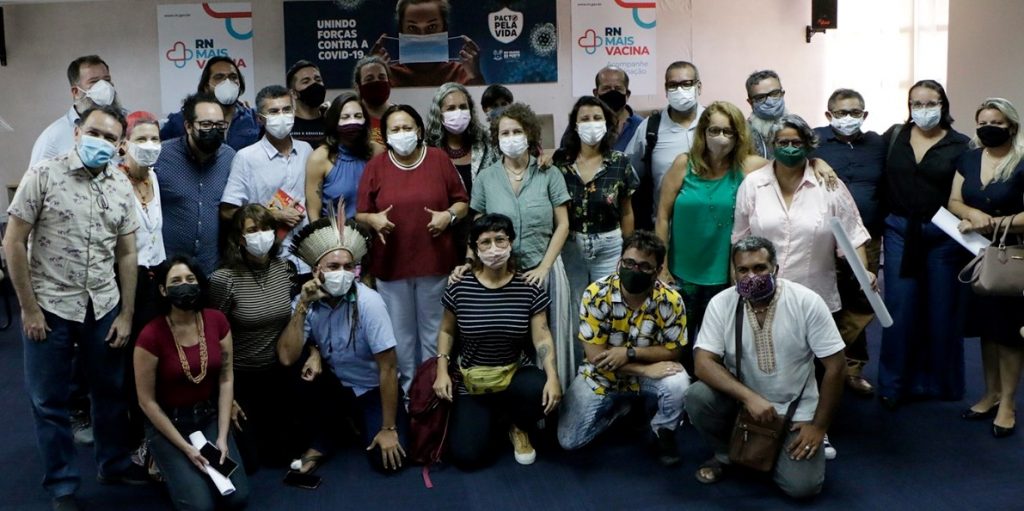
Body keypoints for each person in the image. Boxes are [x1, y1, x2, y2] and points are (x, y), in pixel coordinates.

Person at [5, 105, 145, 511]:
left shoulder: (120, 186)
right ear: (78, 132)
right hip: (49, 305)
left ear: (120, 145)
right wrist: (28, 308)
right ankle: (62, 485)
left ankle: (113, 464)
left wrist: (126, 313)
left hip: (102, 304)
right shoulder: (43, 175)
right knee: (49, 401)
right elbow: (13, 243)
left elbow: (127, 253)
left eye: (110, 138)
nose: (100, 142)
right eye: (94, 133)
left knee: (109, 391)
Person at [685, 236, 846, 498]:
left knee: (803, 488)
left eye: (759, 268)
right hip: (742, 406)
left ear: (775, 269)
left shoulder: (806, 301)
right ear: (734, 273)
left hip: (795, 412)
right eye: (743, 270)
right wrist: (749, 397)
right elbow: (703, 363)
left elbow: (836, 367)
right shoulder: (722, 303)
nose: (751, 276)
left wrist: (819, 427)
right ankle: (726, 454)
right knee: (697, 396)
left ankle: (757, 452)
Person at [460, 102, 576, 389]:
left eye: (517, 131)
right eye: (504, 133)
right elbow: (478, 226)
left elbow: (563, 224)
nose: (511, 138)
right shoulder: (486, 178)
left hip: (543, 270)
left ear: (530, 134)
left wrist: (544, 268)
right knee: (508, 343)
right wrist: (470, 262)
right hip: (500, 273)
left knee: (548, 342)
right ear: (496, 138)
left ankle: (550, 399)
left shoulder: (549, 173)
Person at [278, 218, 407, 474]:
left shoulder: (369, 302)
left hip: (371, 389)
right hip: (335, 386)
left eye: (348, 266)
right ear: (316, 270)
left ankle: (355, 422)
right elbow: (286, 356)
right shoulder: (308, 301)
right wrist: (303, 306)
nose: (343, 272)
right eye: (333, 266)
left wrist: (388, 428)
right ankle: (332, 431)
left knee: (390, 461)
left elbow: (389, 368)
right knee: (297, 377)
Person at [356, 104, 470, 393]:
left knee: (434, 334)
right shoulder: (376, 166)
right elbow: (361, 213)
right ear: (385, 135)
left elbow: (462, 202)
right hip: (392, 267)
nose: (402, 133)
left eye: (407, 127)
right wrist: (373, 220)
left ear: (419, 130)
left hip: (435, 264)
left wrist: (448, 216)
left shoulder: (438, 159)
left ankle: (432, 397)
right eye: (395, 129)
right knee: (402, 339)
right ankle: (409, 398)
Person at [434, 214, 561, 467]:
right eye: (485, 242)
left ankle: (518, 425)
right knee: (467, 458)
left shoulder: (528, 286)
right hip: (473, 381)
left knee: (539, 389)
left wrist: (553, 377)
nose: (494, 248)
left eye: (500, 240)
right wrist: (441, 371)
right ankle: (493, 418)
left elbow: (542, 336)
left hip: (514, 375)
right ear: (475, 248)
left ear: (510, 242)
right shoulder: (460, 286)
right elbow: (447, 331)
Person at [557, 232, 690, 467]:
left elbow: (674, 351)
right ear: (619, 261)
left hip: (647, 373)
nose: (634, 270)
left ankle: (663, 432)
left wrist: (629, 353)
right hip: (602, 376)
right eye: (629, 263)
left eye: (644, 266)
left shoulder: (672, 300)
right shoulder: (596, 294)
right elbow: (595, 357)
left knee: (678, 382)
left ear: (658, 271)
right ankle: (623, 409)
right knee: (569, 440)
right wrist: (643, 370)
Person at [654, 101, 766, 376]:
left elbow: (792, 164)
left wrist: (819, 163)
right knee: (675, 348)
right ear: (703, 132)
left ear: (738, 135)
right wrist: (662, 267)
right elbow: (663, 217)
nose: (720, 138)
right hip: (680, 275)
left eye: (728, 132)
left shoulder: (747, 167)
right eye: (714, 130)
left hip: (723, 278)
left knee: (715, 350)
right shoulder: (684, 164)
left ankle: (707, 396)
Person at [878, 80, 971, 408]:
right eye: (916, 104)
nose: (923, 109)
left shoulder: (961, 145)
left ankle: (942, 383)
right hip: (900, 231)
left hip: (943, 235)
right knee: (900, 309)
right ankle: (893, 385)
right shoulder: (894, 137)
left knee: (943, 309)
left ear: (943, 105)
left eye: (930, 103)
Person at [134, 256, 249, 511]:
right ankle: (154, 456)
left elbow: (226, 379)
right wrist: (186, 449)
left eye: (190, 279)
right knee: (200, 506)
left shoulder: (217, 321)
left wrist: (222, 437)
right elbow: (146, 401)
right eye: (176, 281)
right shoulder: (150, 335)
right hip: (169, 423)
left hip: (207, 418)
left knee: (237, 496)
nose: (184, 285)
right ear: (163, 290)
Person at [732, 113, 874, 316]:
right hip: (761, 297)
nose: (790, 148)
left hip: (815, 297)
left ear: (808, 145)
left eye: (797, 143)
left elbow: (853, 237)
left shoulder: (830, 185)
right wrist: (738, 290)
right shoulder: (752, 185)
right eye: (783, 142)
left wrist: (864, 273)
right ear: (772, 145)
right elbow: (739, 241)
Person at [949, 98, 1024, 437]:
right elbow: (954, 200)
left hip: (1011, 257)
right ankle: (990, 393)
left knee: (1008, 334)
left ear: (1012, 126)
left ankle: (1008, 403)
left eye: (996, 122)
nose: (988, 128)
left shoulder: (1021, 161)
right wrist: (972, 214)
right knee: (986, 329)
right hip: (974, 254)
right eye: (982, 123)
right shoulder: (968, 157)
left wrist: (993, 222)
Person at [208, 205, 300, 469]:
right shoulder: (224, 280)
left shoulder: (286, 269)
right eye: (253, 230)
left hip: (277, 374)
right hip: (240, 378)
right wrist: (225, 396)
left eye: (266, 228)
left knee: (285, 456)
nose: (261, 234)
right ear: (240, 238)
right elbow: (211, 337)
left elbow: (295, 319)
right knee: (249, 463)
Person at [809, 89, 887, 395]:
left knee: (862, 300)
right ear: (829, 115)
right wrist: (815, 160)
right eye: (841, 113)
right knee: (825, 299)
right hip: (824, 236)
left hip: (867, 235)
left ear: (864, 115)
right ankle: (822, 365)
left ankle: (851, 368)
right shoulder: (815, 140)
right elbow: (789, 158)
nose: (848, 118)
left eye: (855, 112)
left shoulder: (878, 144)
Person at [555, 96, 637, 318]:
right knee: (574, 309)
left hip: (609, 246)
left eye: (597, 118)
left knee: (609, 307)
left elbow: (627, 211)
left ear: (607, 123)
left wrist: (629, 249)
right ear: (575, 125)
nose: (591, 123)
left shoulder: (620, 161)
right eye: (585, 119)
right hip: (571, 246)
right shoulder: (560, 161)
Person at [219, 85, 313, 273]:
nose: (282, 116)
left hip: (307, 256)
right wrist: (274, 215)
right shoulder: (246, 157)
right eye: (274, 111)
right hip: (266, 259)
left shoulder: (306, 150)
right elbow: (227, 212)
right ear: (260, 119)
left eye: (286, 109)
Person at [157, 92, 236, 276]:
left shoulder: (230, 158)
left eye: (220, 125)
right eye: (206, 124)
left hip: (212, 269)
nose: (214, 130)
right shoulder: (162, 156)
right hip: (169, 270)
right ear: (188, 126)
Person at [626, 61, 705, 230]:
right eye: (673, 85)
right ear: (666, 89)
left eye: (686, 84)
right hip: (664, 226)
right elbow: (629, 175)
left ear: (698, 87)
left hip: (711, 223)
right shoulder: (650, 128)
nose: (679, 89)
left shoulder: (713, 123)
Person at [305, 92, 383, 223]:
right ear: (335, 121)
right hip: (335, 233)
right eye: (345, 117)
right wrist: (321, 234)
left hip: (373, 230)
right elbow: (313, 212)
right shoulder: (319, 158)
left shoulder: (377, 152)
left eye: (358, 116)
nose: (352, 121)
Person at [31, 55, 121, 166]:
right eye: (94, 81)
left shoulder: (128, 126)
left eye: (107, 80)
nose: (105, 87)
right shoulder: (53, 137)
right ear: (76, 92)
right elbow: (37, 176)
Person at [371, 0, 484, 87]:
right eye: (412, 28)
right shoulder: (387, 76)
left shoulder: (462, 73)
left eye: (432, 27)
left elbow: (481, 107)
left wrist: (474, 75)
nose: (422, 35)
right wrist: (371, 72)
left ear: (444, 28)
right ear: (401, 30)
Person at [160, 55, 260, 151]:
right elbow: (161, 150)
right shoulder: (182, 119)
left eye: (233, 77)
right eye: (219, 77)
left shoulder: (255, 118)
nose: (227, 82)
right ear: (206, 86)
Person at [425, 82, 498, 198]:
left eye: (463, 107)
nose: (458, 113)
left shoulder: (486, 140)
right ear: (439, 114)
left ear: (470, 110)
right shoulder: (428, 148)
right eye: (451, 108)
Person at [593, 66, 643, 152]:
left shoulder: (641, 126)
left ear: (627, 94)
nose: (612, 92)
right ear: (596, 93)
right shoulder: (584, 125)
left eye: (618, 89)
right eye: (606, 88)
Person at [745, 69, 788, 158]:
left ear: (782, 94)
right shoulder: (743, 134)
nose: (769, 101)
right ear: (750, 102)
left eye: (774, 93)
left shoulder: (800, 129)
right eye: (760, 97)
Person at [352, 56, 394, 145]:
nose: (377, 82)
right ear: (358, 87)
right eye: (369, 79)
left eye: (382, 77)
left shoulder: (402, 115)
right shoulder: (351, 119)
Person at [286, 60, 328, 146]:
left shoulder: (332, 122)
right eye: (306, 82)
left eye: (318, 79)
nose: (314, 83)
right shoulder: (285, 126)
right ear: (293, 93)